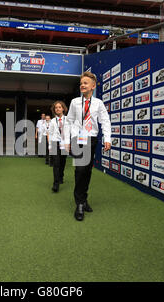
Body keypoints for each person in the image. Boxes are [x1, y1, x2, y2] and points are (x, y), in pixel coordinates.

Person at [64, 71, 111, 221]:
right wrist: (67, 140)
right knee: (80, 170)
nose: (82, 85)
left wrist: (107, 138)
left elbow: (105, 121)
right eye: (81, 83)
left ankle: (84, 199)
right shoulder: (74, 102)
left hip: (91, 139)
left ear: (93, 86)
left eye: (85, 83)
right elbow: (69, 121)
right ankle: (79, 204)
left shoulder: (98, 103)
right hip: (78, 138)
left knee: (87, 171)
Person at [48, 101, 68, 193]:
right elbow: (50, 133)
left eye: (60, 107)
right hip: (55, 143)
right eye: (56, 108)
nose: (58, 109)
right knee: (56, 163)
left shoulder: (68, 120)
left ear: (63, 108)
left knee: (62, 162)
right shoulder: (52, 121)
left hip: (64, 144)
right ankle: (55, 184)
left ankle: (61, 176)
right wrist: (50, 145)